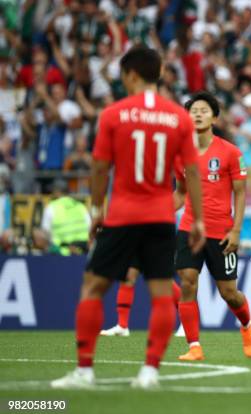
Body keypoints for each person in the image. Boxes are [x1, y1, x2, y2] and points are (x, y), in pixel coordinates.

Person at [51, 46, 205, 390]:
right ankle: (149, 373)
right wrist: (197, 220)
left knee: (93, 287)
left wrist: (96, 211)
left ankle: (85, 372)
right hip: (160, 217)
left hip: (121, 216)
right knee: (163, 293)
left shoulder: (114, 114)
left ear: (132, 74)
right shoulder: (178, 118)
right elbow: (192, 173)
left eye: (123, 75)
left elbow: (100, 167)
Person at [174, 91, 251, 361]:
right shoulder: (179, 154)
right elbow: (179, 192)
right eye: (193, 110)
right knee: (188, 283)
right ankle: (194, 346)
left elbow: (241, 193)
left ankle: (247, 326)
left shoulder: (231, 152)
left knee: (229, 293)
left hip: (221, 232)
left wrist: (236, 231)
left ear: (214, 117)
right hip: (189, 228)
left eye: (203, 110)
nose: (197, 114)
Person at [40, 178, 90, 256]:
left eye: (52, 191)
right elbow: (90, 228)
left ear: (57, 192)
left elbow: (44, 233)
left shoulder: (51, 208)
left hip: (60, 255)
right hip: (82, 253)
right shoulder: (81, 206)